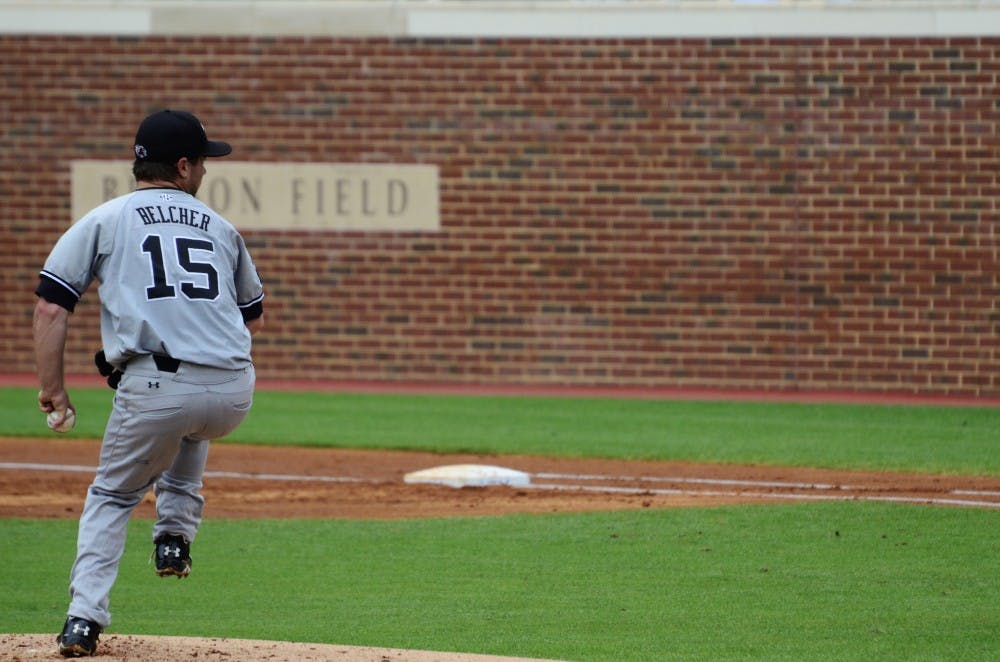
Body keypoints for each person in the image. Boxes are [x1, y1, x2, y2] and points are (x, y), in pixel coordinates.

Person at [33, 109, 265, 658]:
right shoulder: (221, 227)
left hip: (160, 391)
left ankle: (83, 619)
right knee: (191, 420)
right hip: (234, 390)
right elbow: (252, 313)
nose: (206, 172)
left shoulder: (106, 219)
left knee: (112, 495)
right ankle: (174, 537)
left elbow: (50, 308)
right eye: (204, 161)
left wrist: (54, 388)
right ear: (183, 166)